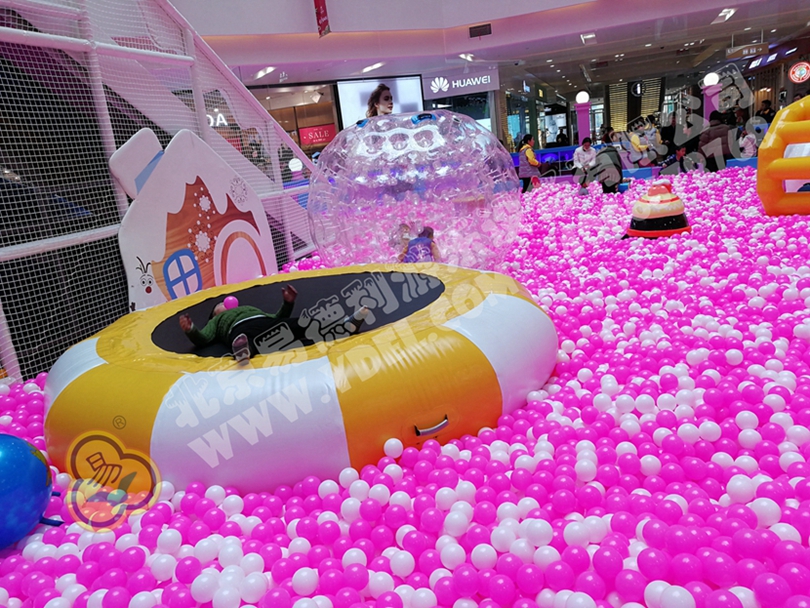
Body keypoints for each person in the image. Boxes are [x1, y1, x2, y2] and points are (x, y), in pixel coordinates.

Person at [179, 285, 368, 361]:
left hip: (265, 322)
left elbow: (277, 316)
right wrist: (191, 329)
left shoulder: (250, 308)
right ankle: (243, 350)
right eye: (219, 306)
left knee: (301, 324)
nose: (225, 305)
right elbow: (204, 338)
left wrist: (288, 303)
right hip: (240, 328)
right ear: (214, 315)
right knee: (243, 337)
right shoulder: (217, 320)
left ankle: (345, 326)